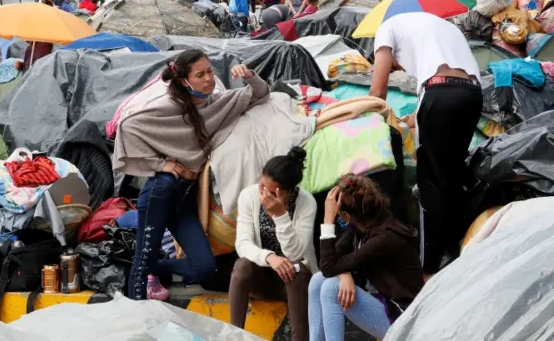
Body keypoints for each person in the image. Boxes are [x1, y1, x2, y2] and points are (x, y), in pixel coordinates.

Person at [113, 49, 270, 301]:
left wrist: (249, 75)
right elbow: (127, 126)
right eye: (200, 74)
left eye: (210, 71)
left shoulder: (219, 102)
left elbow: (260, 94)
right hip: (161, 191)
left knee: (204, 268)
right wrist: (159, 164)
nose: (208, 78)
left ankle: (152, 267)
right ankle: (137, 317)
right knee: (141, 265)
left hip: (185, 200)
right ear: (185, 81)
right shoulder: (169, 106)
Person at [369, 12, 482, 280]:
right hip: (472, 94)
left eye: (395, 65)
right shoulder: (439, 27)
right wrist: (414, 119)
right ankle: (457, 253)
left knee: (430, 184)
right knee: (452, 176)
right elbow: (430, 105)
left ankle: (428, 271)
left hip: (440, 93)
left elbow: (377, 92)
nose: (398, 67)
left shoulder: (386, 29)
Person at [309, 175, 424, 341]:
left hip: (404, 319)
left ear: (347, 216)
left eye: (340, 215)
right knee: (317, 280)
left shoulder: (382, 239)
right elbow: (328, 265)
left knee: (332, 288)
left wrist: (328, 221)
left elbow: (329, 266)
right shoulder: (364, 223)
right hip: (382, 299)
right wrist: (344, 273)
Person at [229, 147, 316, 341]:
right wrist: (269, 257)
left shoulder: (306, 203)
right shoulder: (249, 196)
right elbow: (243, 243)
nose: (263, 194)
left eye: (270, 191)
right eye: (261, 185)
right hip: (262, 280)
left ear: (287, 191)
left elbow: (296, 254)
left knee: (296, 268)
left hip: (295, 284)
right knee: (242, 265)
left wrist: (280, 215)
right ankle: (233, 336)